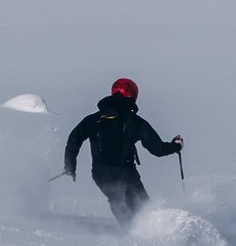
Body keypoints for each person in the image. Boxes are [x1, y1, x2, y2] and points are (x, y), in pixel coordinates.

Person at [62, 78, 183, 229]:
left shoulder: (93, 119)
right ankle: (153, 232)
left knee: (116, 199)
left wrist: (70, 165)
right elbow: (158, 149)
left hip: (100, 173)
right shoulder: (136, 122)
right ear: (133, 96)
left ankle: (132, 233)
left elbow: (74, 140)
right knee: (143, 207)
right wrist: (175, 146)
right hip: (126, 173)